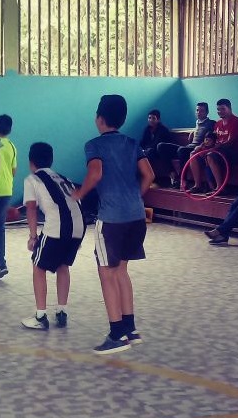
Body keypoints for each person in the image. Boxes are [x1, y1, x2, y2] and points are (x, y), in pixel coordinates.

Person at [73, 94, 154, 355]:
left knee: (106, 273)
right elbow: (149, 175)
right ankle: (130, 329)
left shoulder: (94, 145)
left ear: (99, 118)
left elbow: (95, 173)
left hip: (111, 219)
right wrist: (134, 198)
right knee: (121, 271)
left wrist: (80, 194)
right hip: (136, 216)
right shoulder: (132, 143)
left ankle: (116, 334)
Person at [20, 142, 85, 331]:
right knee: (62, 265)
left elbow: (30, 208)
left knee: (38, 266)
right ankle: (62, 311)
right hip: (78, 227)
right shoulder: (64, 178)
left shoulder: (32, 179)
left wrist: (33, 237)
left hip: (57, 228)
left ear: (31, 161)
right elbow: (77, 201)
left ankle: (40, 316)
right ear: (51, 160)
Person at [189, 99, 238, 194]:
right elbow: (212, 139)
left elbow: (230, 143)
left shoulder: (236, 122)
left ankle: (220, 188)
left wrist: (211, 150)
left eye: (223, 109)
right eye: (218, 109)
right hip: (218, 151)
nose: (220, 112)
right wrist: (201, 146)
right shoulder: (218, 124)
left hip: (235, 153)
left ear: (230, 109)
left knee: (210, 155)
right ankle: (197, 185)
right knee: (193, 154)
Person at [156, 102, 215, 188]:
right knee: (161, 146)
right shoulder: (197, 122)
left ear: (207, 112)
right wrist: (193, 131)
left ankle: (182, 180)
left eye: (201, 111)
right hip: (188, 148)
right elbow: (199, 129)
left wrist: (202, 145)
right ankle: (172, 174)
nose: (198, 112)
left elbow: (211, 138)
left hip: (197, 150)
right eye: (197, 110)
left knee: (182, 150)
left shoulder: (211, 123)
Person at [0, 114, 17, 280]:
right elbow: (13, 170)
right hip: (7, 190)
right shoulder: (12, 146)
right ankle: (1, 264)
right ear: (10, 129)